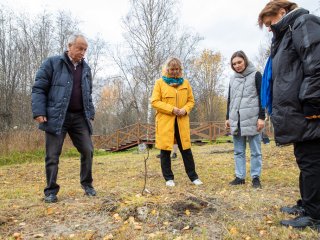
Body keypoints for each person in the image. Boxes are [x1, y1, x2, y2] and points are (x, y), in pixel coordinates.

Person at [258, 0, 320, 230]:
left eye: (269, 22)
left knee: (312, 160)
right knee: (305, 159)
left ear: (282, 12)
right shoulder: (287, 34)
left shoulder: (304, 23)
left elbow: (316, 65)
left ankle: (315, 215)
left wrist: (313, 102)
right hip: (297, 112)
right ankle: (307, 205)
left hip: (309, 110)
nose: (268, 27)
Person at [32, 34, 96, 203]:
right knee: (52, 155)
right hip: (56, 116)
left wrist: (91, 112)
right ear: (70, 46)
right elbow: (39, 88)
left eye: (85, 49)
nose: (82, 52)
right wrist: (39, 111)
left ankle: (87, 185)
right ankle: (51, 191)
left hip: (79, 117)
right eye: (79, 48)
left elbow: (88, 93)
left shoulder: (86, 69)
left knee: (88, 150)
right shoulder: (52, 63)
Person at [151, 57, 203, 187]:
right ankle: (168, 178)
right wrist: (172, 109)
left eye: (177, 69)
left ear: (180, 70)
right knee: (165, 151)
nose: (174, 71)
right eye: (172, 69)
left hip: (181, 122)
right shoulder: (159, 83)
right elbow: (155, 102)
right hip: (165, 123)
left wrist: (185, 110)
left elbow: (191, 101)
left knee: (186, 150)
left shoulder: (185, 83)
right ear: (167, 69)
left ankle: (193, 177)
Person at [225, 51, 265, 189]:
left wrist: (261, 117)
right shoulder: (232, 79)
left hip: (253, 119)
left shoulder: (256, 75)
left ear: (245, 61)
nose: (237, 66)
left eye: (239, 62)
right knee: (238, 151)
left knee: (255, 151)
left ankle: (255, 178)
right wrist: (227, 117)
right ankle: (240, 177)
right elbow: (230, 99)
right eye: (234, 64)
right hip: (236, 120)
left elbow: (262, 97)